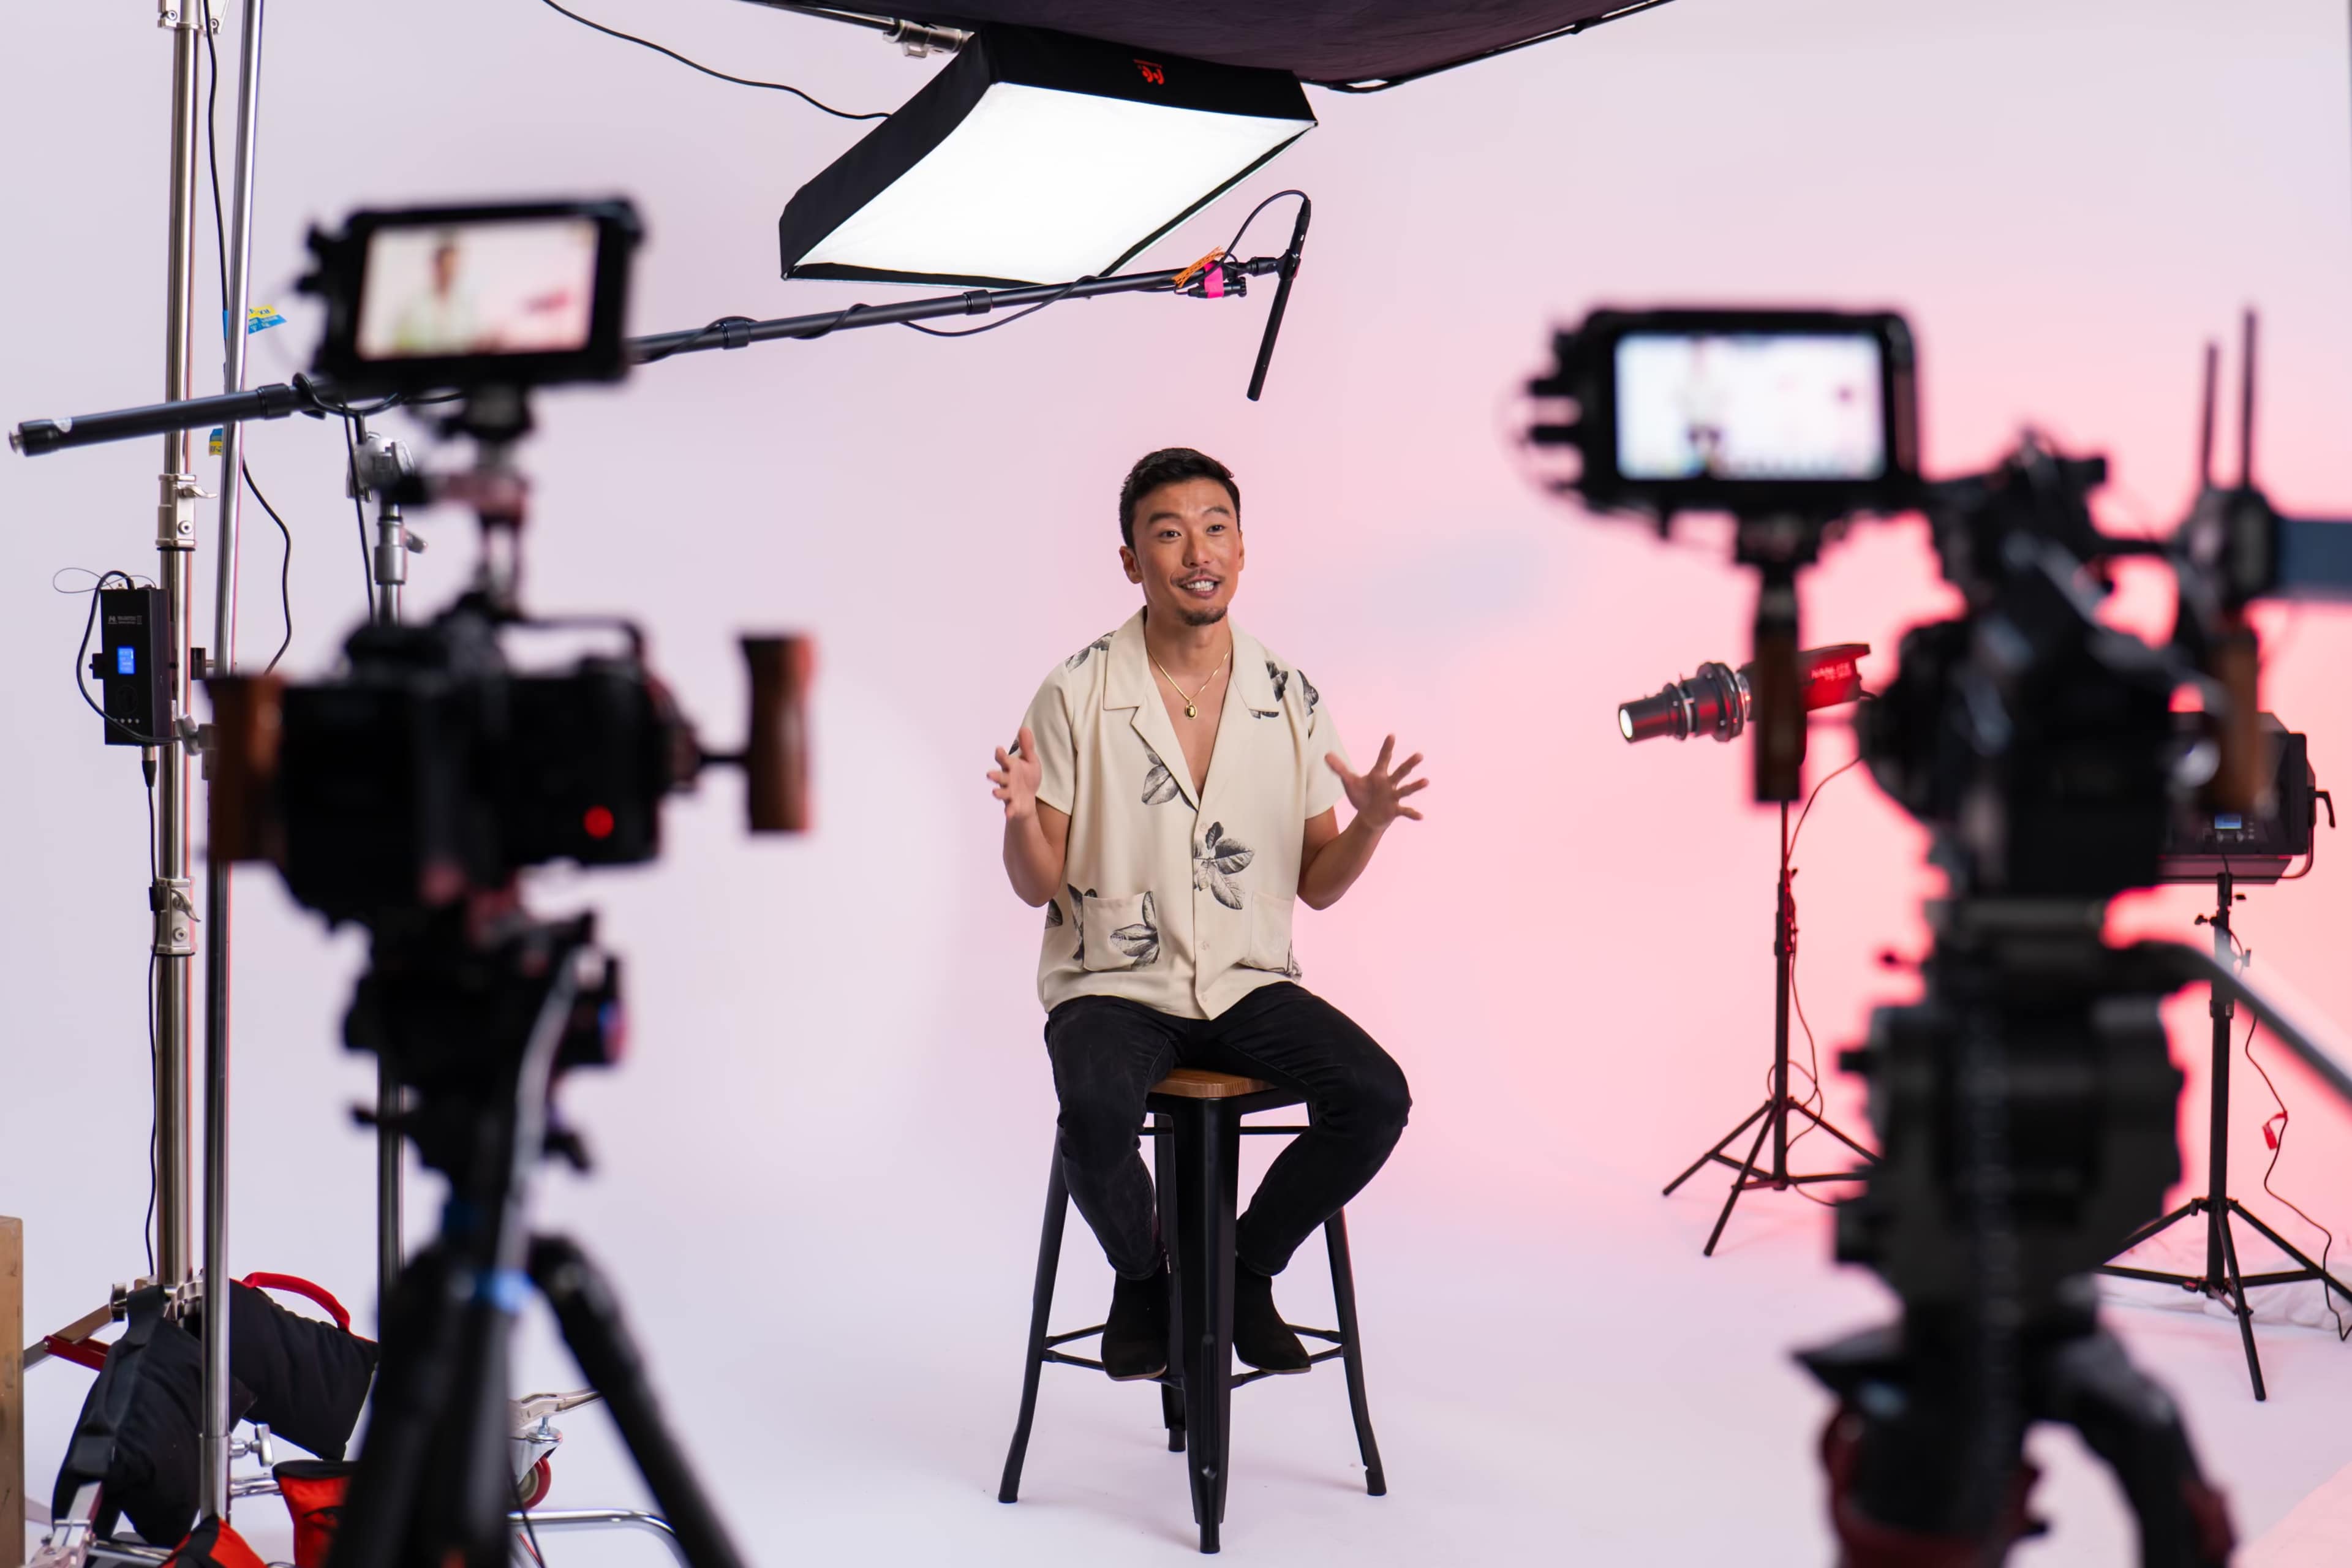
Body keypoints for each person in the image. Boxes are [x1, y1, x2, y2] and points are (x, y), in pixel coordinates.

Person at [986, 447, 1426, 1382]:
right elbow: (1035, 883)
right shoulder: (1076, 690)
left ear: (1241, 548)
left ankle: (1243, 1270)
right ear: (1131, 559)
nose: (1198, 552)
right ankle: (1145, 1277)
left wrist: (1371, 823)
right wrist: (1022, 817)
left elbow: (1319, 883)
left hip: (1244, 983)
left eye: (1216, 528)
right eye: (1169, 533)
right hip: (1112, 984)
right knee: (1096, 1114)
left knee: (1375, 1097)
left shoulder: (1288, 694)